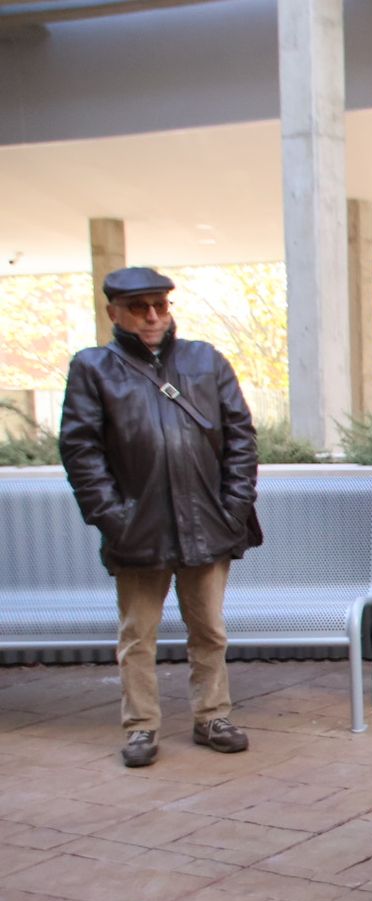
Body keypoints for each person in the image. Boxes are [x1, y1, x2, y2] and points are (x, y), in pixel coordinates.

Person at [59, 267, 260, 768]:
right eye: (138, 307)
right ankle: (140, 726)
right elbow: (81, 450)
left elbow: (241, 436)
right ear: (114, 312)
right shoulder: (93, 367)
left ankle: (212, 716)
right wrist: (113, 518)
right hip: (138, 527)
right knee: (137, 635)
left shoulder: (205, 359)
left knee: (209, 630)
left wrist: (233, 507)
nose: (152, 316)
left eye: (160, 305)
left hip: (207, 522)